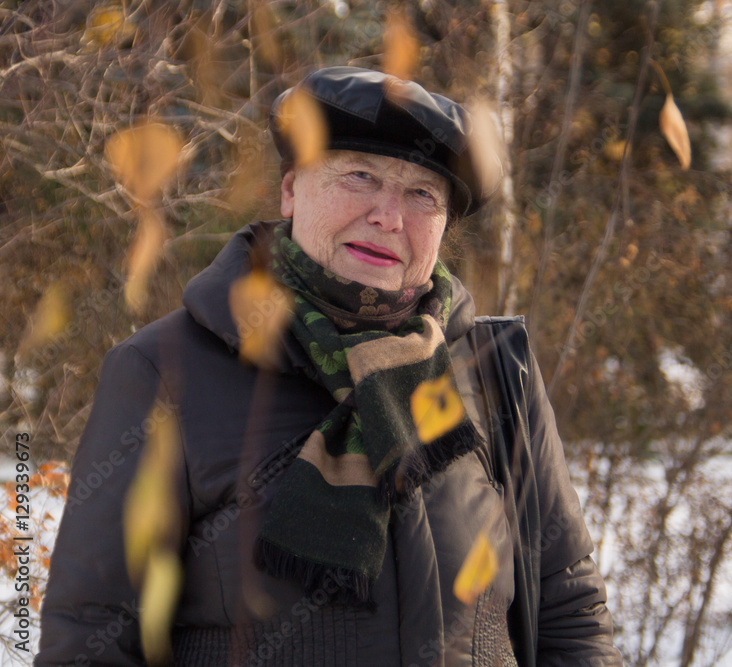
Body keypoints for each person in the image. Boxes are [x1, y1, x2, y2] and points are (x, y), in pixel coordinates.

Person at [38, 66, 622, 666]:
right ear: (292, 190)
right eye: (360, 177)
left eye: (422, 194)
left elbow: (570, 615)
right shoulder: (165, 372)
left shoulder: (495, 376)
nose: (389, 217)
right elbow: (89, 637)